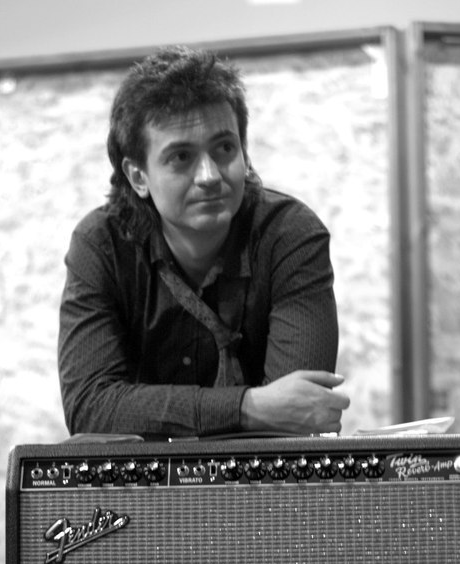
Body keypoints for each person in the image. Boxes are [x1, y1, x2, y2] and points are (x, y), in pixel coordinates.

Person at [58, 45, 350, 440]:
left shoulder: (289, 235)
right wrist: (248, 406)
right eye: (181, 157)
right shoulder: (101, 245)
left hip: (265, 479)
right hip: (145, 483)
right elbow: (90, 407)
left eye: (225, 148)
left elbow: (298, 412)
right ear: (138, 177)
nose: (210, 176)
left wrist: (155, 410)